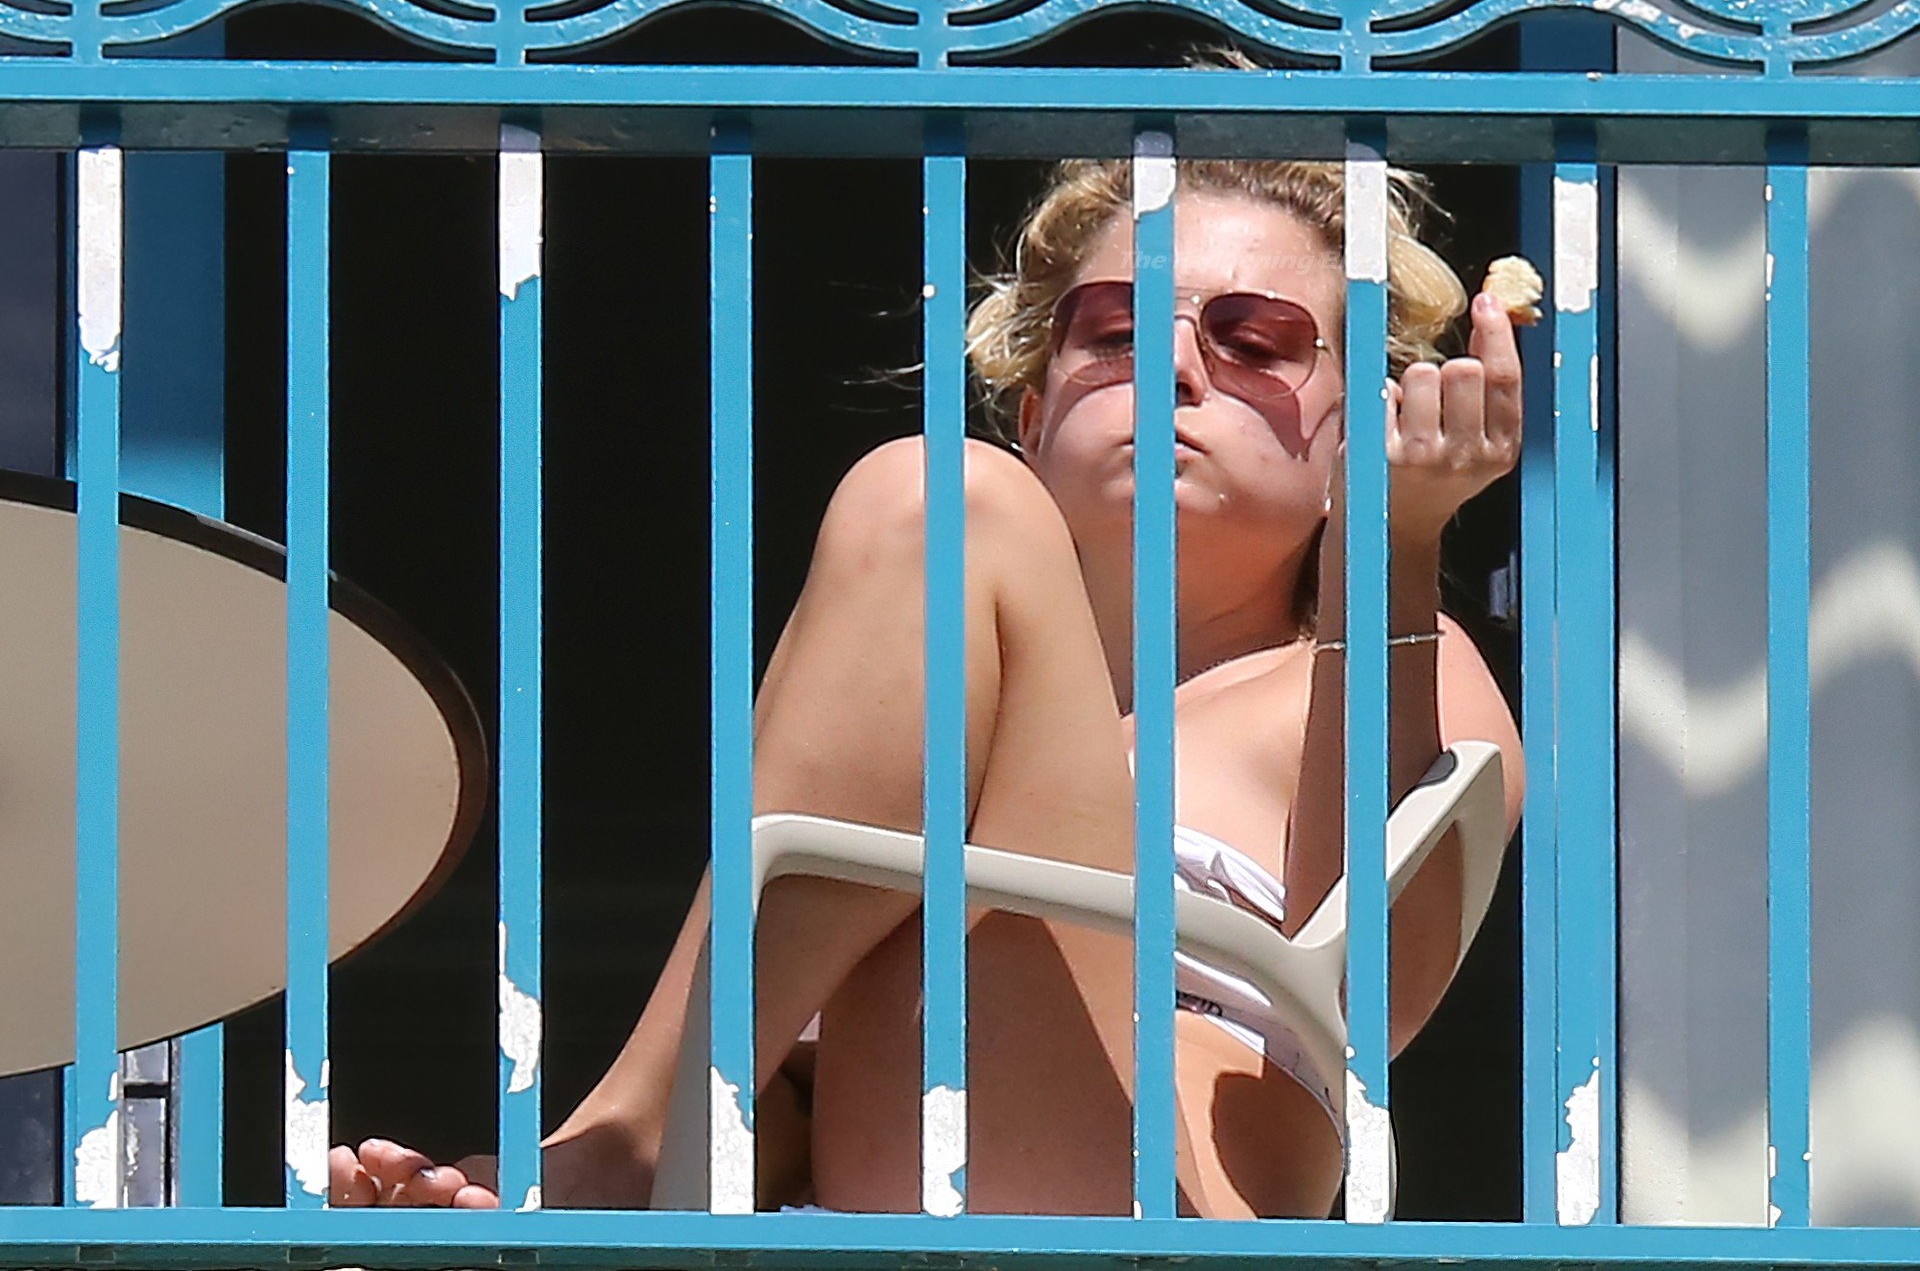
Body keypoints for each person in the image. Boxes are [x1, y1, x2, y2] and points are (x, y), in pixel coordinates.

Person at [330, 149, 1526, 1218]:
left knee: (947, 504)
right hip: (876, 1183)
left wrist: (1390, 545)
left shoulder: (1396, 661)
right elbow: (802, 1094)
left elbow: (1373, 1003)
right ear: (1033, 414)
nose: (1170, 369)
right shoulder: (921, 629)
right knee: (931, 501)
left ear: (1356, 435)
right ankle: (630, 1149)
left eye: (1255, 343)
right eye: (1113, 332)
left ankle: (620, 1148)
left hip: (1141, 1208)